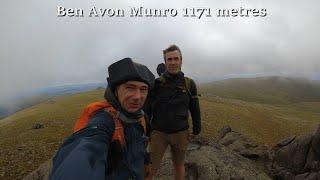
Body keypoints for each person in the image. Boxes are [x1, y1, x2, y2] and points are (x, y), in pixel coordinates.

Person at [50, 58, 155, 180]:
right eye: (130, 88)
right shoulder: (104, 121)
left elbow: (143, 143)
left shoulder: (142, 117)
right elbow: (87, 148)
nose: (138, 96)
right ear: (116, 91)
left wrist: (146, 163)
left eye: (143, 89)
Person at [147, 45, 201, 180]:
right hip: (159, 134)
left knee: (179, 165)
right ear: (165, 62)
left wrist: (197, 128)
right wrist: (147, 131)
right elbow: (147, 109)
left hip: (181, 133)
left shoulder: (189, 84)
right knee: (149, 168)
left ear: (181, 60)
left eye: (176, 59)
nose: (173, 62)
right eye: (169, 59)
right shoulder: (156, 84)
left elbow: (194, 107)